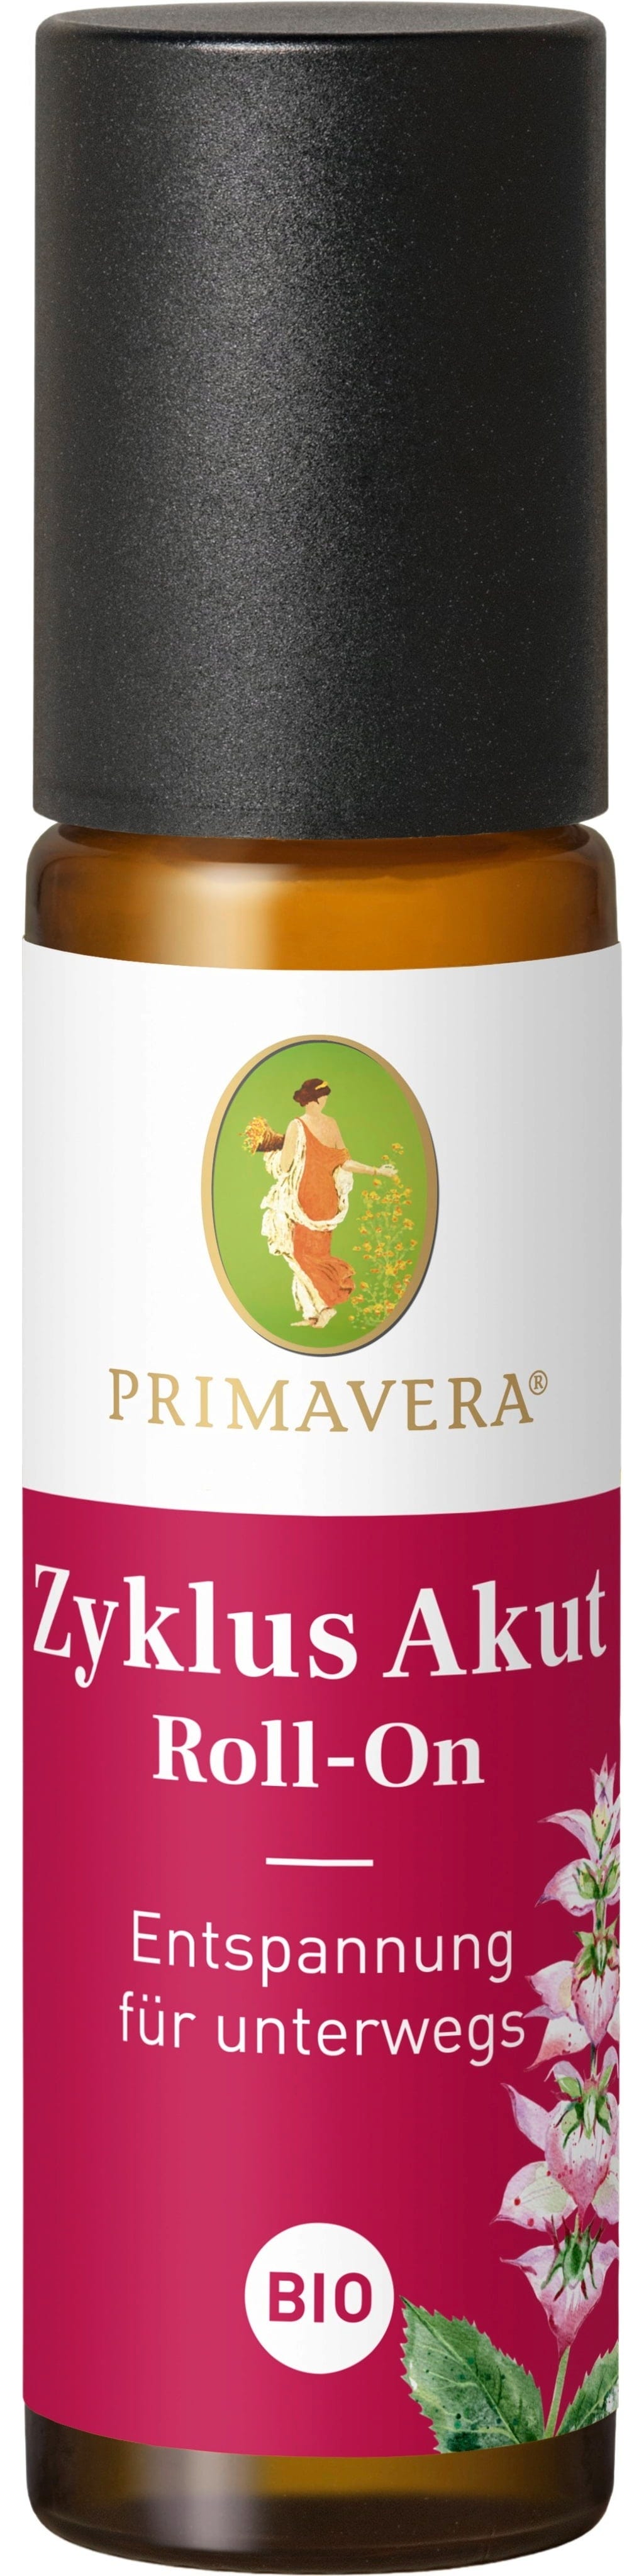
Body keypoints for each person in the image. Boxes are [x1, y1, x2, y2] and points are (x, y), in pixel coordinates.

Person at [260, 1076, 396, 1329]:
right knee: (316, 1255)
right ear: (318, 1099)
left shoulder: (296, 1125)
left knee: (299, 1254)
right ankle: (312, 1313)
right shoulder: (331, 1124)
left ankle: (325, 1308)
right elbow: (346, 1162)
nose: (326, 1101)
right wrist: (377, 1171)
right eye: (324, 1097)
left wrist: (271, 1153)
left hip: (305, 1198)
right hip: (327, 1200)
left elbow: (285, 1166)